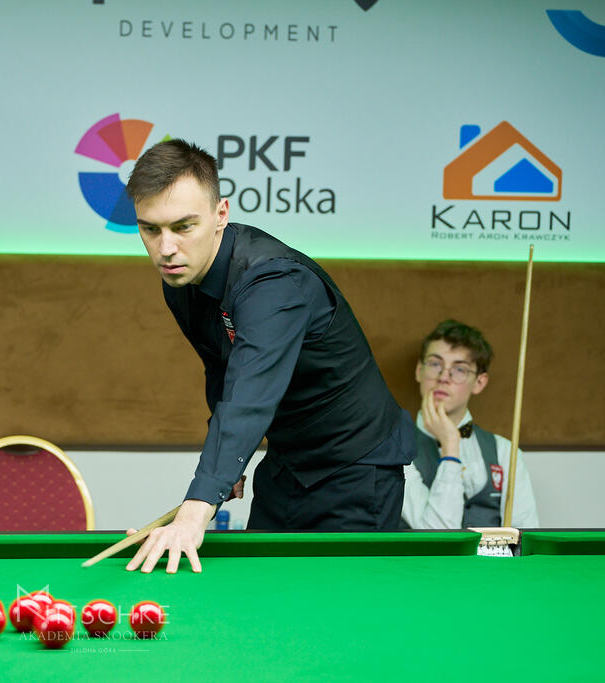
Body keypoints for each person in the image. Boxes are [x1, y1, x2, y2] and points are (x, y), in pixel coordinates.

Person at [123, 139, 415, 573]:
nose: (166, 248)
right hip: (285, 463)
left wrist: (197, 506)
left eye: (183, 227)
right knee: (262, 590)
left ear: (221, 214)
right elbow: (221, 370)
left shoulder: (273, 282)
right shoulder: (181, 280)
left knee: (345, 602)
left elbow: (250, 394)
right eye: (151, 230)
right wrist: (227, 468)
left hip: (355, 466)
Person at [402, 320, 538, 529]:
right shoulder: (396, 450)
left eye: (459, 369)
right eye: (435, 364)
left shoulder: (505, 452)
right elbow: (438, 536)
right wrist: (450, 448)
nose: (443, 377)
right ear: (419, 370)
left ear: (479, 383)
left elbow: (525, 535)